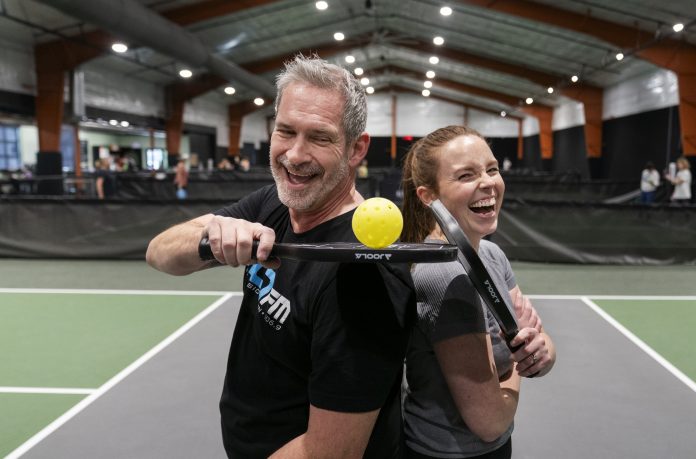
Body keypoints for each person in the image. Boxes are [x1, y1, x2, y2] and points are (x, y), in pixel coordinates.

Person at [146, 55, 415, 458]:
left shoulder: (365, 278)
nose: (294, 155)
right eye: (285, 132)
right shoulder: (275, 201)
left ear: (356, 149)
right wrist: (211, 238)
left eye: (319, 137)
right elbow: (158, 252)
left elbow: (329, 454)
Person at [400, 125, 556, 458]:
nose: (487, 182)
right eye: (466, 175)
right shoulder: (444, 276)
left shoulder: (491, 254)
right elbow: (489, 422)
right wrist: (519, 367)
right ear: (429, 196)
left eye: (492, 169)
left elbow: (535, 337)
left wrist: (541, 352)